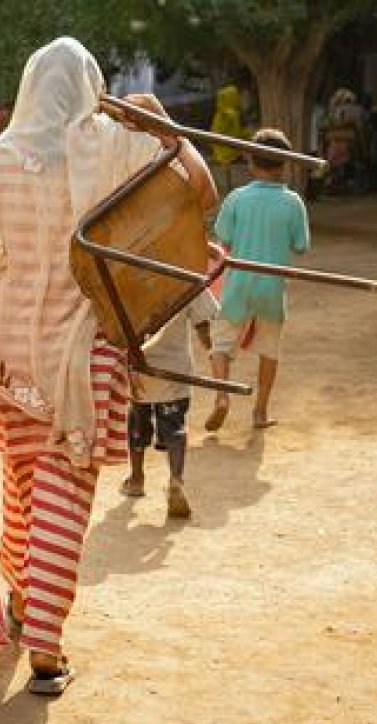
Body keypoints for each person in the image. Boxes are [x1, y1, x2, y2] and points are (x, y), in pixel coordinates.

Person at [0, 37, 216, 695]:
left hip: (8, 356)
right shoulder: (115, 146)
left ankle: (21, 598)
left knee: (25, 484)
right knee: (64, 497)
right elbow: (201, 192)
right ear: (93, 87)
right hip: (83, 358)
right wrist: (163, 128)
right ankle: (45, 643)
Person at [206, 128, 310, 431]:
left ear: (250, 162)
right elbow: (301, 246)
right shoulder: (293, 203)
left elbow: (223, 237)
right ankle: (260, 412)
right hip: (271, 288)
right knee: (269, 350)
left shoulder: (237, 198)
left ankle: (222, 396)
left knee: (220, 345)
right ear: (286, 164)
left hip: (237, 284)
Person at [120, 290, 218, 517]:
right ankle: (176, 479)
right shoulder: (186, 276)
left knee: (138, 421)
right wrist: (215, 355)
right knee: (174, 425)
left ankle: (136, 479)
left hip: (139, 365)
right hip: (175, 369)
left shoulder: (129, 274)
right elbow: (204, 328)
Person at [210, 84, 249, 193]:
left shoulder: (230, 113)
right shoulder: (226, 115)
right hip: (225, 148)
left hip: (231, 145)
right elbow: (220, 132)